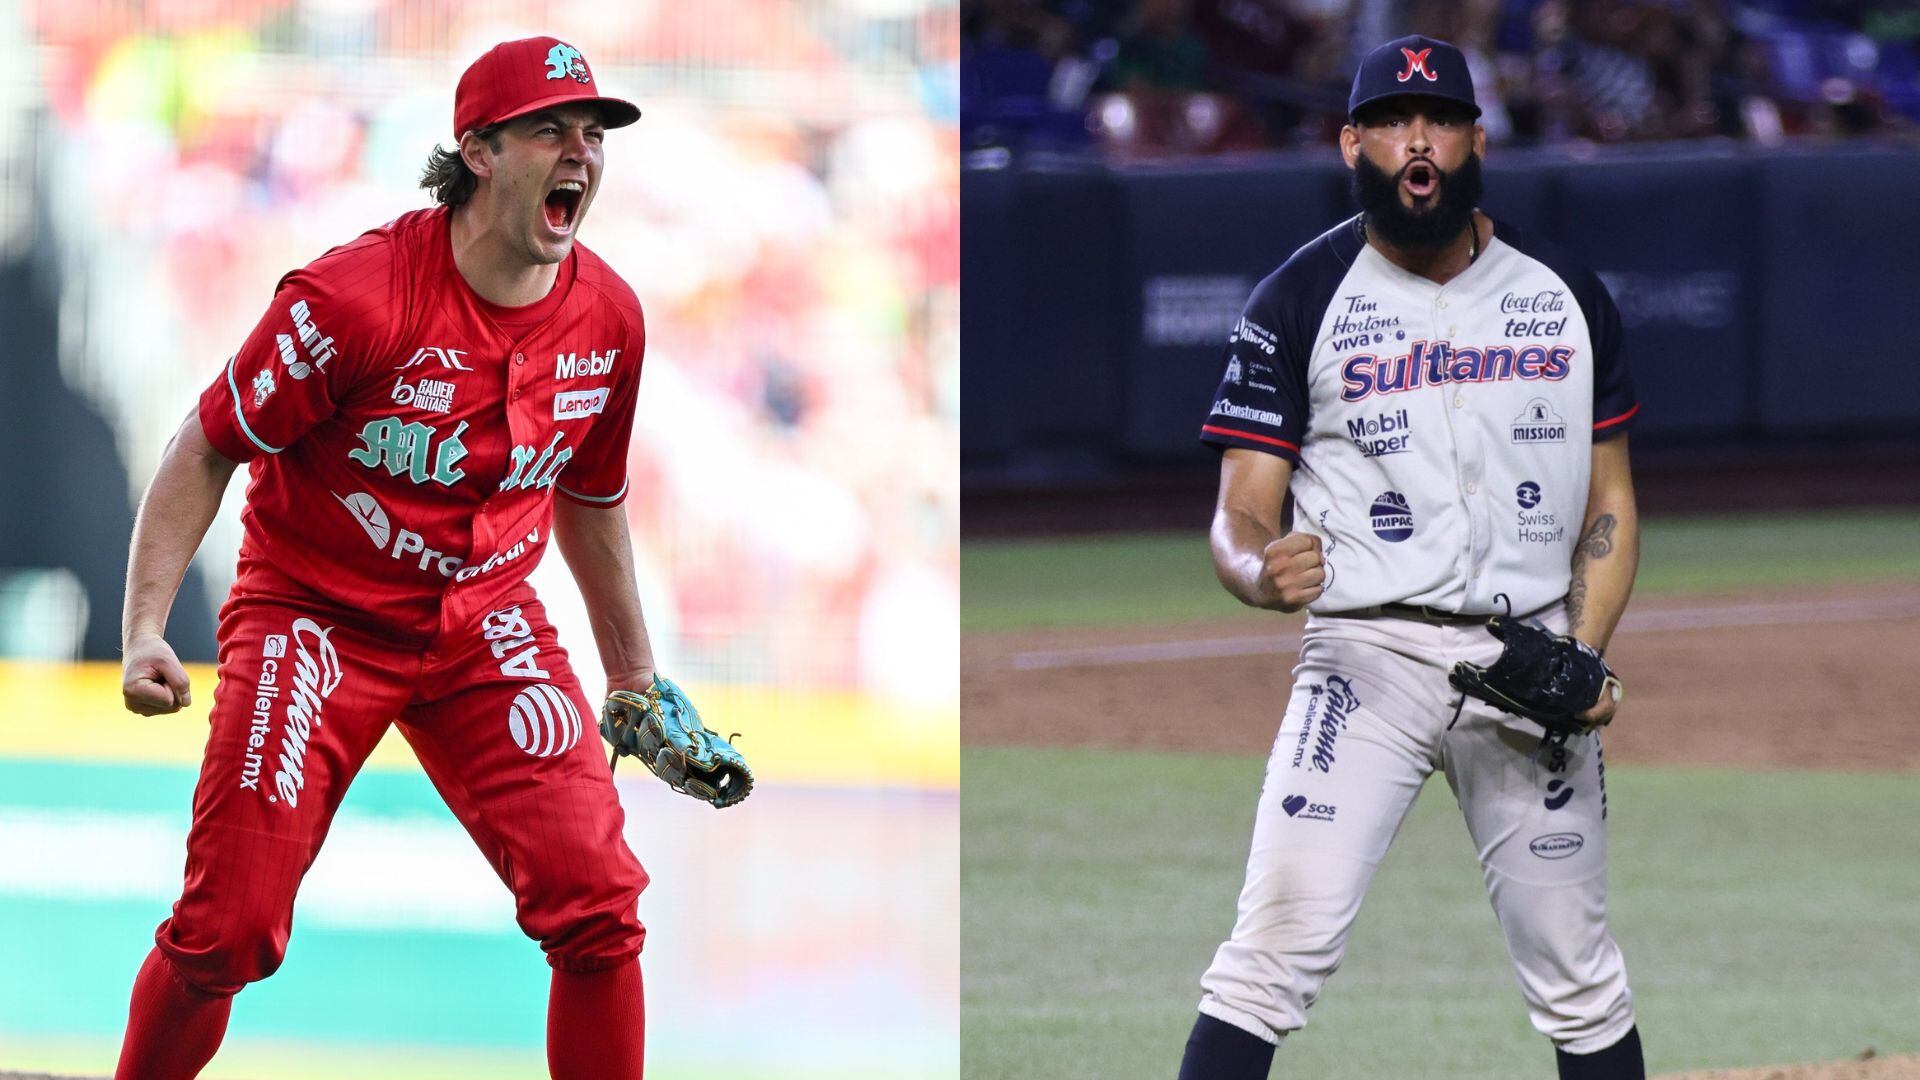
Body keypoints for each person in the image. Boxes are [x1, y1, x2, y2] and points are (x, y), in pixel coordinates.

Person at [115, 36, 661, 1080]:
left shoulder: (610, 320)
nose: (580, 151)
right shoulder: (354, 299)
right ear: (480, 151)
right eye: (550, 128)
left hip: (484, 624)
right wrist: (145, 624)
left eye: (593, 134)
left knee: (601, 908)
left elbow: (592, 498)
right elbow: (209, 444)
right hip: (315, 617)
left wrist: (631, 673)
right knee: (226, 932)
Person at [1178, 34, 1645, 1080]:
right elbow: (1237, 515)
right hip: (1365, 660)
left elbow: (1611, 501)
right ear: (1353, 143)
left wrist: (1586, 650)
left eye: (1436, 119)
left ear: (1477, 137)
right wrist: (1258, 570)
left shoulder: (1564, 293)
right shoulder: (1298, 301)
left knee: (1579, 978)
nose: (1415, 141)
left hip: (1531, 666)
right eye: (1390, 122)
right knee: (1268, 958)